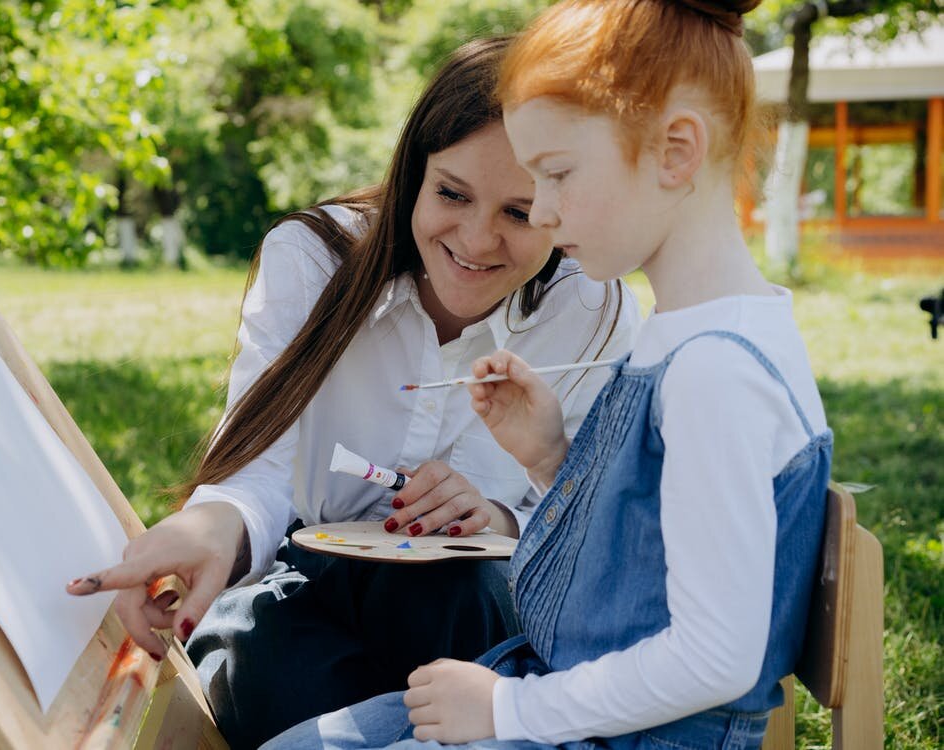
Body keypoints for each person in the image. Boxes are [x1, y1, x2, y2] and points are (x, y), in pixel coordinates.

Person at [261, 1, 833, 748]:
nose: (548, 219)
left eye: (554, 179)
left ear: (675, 151)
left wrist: (507, 711)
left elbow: (717, 658)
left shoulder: (717, 370)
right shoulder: (687, 336)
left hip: (614, 731)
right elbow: (651, 548)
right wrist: (548, 457)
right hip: (565, 699)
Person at [67, 35, 638, 749]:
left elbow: (577, 512)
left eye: (517, 214)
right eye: (451, 194)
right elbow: (260, 465)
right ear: (412, 175)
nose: (475, 238)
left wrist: (493, 514)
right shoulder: (312, 260)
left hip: (471, 600)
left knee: (458, 616)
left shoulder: (589, 310)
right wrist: (210, 527)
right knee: (275, 672)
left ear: (561, 206)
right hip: (298, 582)